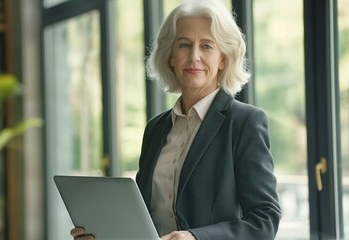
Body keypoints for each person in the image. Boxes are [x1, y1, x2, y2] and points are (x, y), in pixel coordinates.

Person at [71, 0, 281, 239]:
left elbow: (265, 219)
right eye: (184, 45)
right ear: (171, 56)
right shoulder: (155, 129)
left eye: (207, 46)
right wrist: (104, 234)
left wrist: (194, 237)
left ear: (223, 58)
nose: (194, 56)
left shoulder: (245, 122)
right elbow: (142, 219)